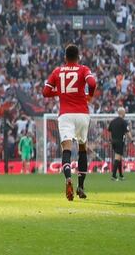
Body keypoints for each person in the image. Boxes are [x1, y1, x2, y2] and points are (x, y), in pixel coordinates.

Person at [42, 44, 97, 201]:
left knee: (66, 149)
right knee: (82, 148)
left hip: (65, 115)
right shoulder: (83, 69)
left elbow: (45, 92)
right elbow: (92, 84)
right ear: (78, 57)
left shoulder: (57, 71)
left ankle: (68, 178)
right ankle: (81, 186)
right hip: (82, 114)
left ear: (65, 57)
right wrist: (89, 96)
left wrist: (60, 91)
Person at [108, 107, 129, 181]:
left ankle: (121, 175)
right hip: (119, 142)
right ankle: (113, 176)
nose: (125, 114)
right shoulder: (123, 122)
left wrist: (110, 140)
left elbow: (109, 131)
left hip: (113, 141)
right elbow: (128, 132)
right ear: (122, 113)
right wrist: (132, 140)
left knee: (119, 158)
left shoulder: (113, 121)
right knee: (117, 158)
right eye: (124, 112)